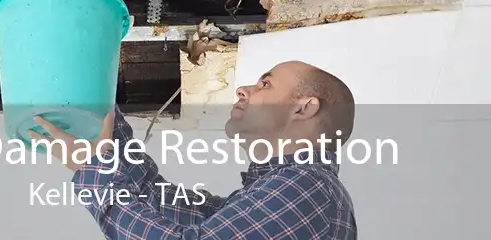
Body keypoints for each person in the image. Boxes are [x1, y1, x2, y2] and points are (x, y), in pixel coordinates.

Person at [29, 60, 357, 239]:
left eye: (265, 84)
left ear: (304, 108)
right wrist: (102, 111)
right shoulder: (280, 191)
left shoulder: (308, 186)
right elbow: (152, 197)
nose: (244, 90)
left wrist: (95, 171)